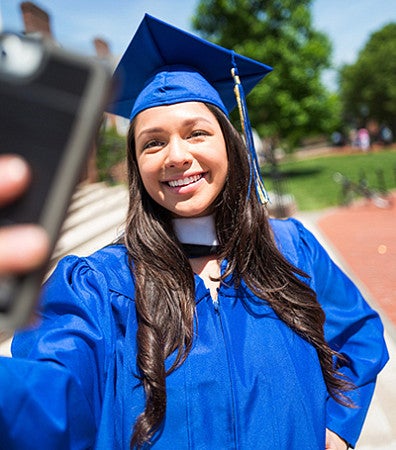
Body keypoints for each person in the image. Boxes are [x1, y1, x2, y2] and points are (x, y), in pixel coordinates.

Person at [0, 14, 388, 450]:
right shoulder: (97, 288)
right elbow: (46, 401)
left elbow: (357, 334)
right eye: (153, 142)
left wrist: (339, 425)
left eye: (196, 133)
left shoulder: (292, 249)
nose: (176, 155)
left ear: (230, 143)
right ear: (136, 166)